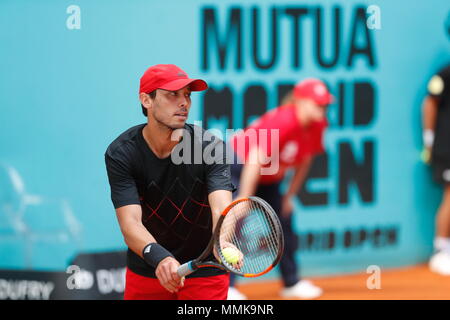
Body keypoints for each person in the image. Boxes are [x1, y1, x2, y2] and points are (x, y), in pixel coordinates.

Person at [105, 64, 235, 299]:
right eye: (172, 94)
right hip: (147, 269)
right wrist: (160, 257)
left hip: (206, 270)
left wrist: (224, 241)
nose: (184, 102)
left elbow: (221, 209)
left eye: (187, 95)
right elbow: (130, 223)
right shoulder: (122, 153)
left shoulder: (211, 149)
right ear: (147, 100)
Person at [226, 78, 333, 300]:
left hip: (268, 176)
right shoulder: (284, 120)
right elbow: (255, 157)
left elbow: (305, 161)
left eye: (325, 104)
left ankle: (291, 283)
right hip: (238, 165)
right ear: (300, 102)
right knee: (233, 223)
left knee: (283, 220)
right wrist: (244, 198)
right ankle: (226, 287)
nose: (323, 108)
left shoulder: (318, 125)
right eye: (318, 103)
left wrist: (289, 196)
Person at [422, 64, 450, 276]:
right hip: (446, 149)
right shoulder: (445, 73)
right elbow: (430, 103)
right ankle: (441, 250)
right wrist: (429, 139)